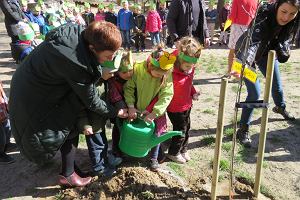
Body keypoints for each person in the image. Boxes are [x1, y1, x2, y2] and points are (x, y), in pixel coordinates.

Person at [9, 21, 128, 187]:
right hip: (34, 93)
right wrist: (115, 112)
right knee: (66, 125)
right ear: (93, 49)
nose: (112, 59)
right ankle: (68, 175)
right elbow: (92, 101)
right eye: (108, 56)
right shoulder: (76, 62)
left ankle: (70, 167)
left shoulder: (82, 36)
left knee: (66, 122)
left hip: (31, 79)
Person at [234, 0, 299, 148]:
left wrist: (283, 46)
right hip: (246, 53)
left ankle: (280, 107)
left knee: (277, 84)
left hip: (266, 53)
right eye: (284, 11)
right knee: (254, 93)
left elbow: (285, 37)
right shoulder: (263, 14)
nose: (286, 17)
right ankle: (243, 129)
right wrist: (244, 64)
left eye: (292, 14)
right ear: (277, 6)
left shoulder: (293, 21)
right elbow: (253, 42)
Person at [124, 46, 175, 171]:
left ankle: (154, 158)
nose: (159, 77)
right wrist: (130, 106)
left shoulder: (166, 74)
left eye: (161, 75)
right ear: (150, 66)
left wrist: (155, 113)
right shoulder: (138, 69)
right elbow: (129, 88)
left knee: (156, 134)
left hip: (156, 111)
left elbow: (167, 95)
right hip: (138, 109)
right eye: (157, 74)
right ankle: (132, 152)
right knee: (136, 131)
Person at [166, 37, 201, 163]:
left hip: (186, 104)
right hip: (174, 107)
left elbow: (189, 83)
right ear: (180, 59)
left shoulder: (189, 68)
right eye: (187, 65)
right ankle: (173, 153)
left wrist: (193, 92)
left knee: (187, 127)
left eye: (192, 66)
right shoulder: (170, 70)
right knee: (180, 130)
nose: (189, 69)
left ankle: (183, 149)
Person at [108, 51, 134, 163]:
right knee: (118, 129)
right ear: (117, 72)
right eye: (124, 72)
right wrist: (123, 108)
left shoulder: (135, 77)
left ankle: (129, 150)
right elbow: (115, 96)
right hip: (120, 109)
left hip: (132, 107)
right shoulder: (113, 80)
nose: (128, 74)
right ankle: (116, 150)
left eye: (130, 71)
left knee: (131, 129)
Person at [225, 0, 258, 78]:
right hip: (250, 27)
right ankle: (240, 73)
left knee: (233, 51)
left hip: (237, 27)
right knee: (245, 52)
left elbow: (233, 15)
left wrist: (227, 21)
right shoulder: (256, 0)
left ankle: (230, 72)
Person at [0, 81, 16, 164]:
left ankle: (7, 144)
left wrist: (6, 104)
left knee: (7, 127)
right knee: (1, 136)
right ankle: (1, 155)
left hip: (2, 109)